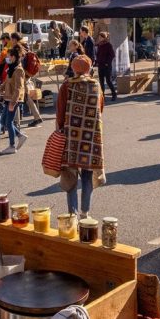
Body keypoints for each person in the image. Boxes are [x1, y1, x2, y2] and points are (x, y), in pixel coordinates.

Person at [56, 55, 104, 218]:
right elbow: (100, 109)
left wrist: (61, 129)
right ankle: (85, 212)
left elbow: (60, 113)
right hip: (91, 137)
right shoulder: (96, 85)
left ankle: (73, 214)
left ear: (73, 69)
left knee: (70, 174)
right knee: (88, 173)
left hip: (71, 137)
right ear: (89, 69)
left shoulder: (66, 86)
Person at [0, 45, 27, 155]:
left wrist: (13, 102)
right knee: (3, 121)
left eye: (8, 56)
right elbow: (6, 83)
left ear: (13, 57)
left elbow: (19, 88)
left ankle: (12, 146)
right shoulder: (11, 68)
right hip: (8, 98)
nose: (7, 58)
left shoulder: (18, 70)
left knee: (9, 122)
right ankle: (20, 136)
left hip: (14, 99)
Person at [95, 32, 117, 101]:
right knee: (101, 82)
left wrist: (107, 62)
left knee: (108, 81)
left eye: (101, 37)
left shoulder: (108, 45)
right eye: (99, 37)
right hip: (100, 66)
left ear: (104, 37)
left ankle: (114, 94)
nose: (99, 38)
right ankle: (102, 96)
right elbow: (98, 55)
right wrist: (96, 62)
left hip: (106, 66)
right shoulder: (99, 45)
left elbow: (112, 55)